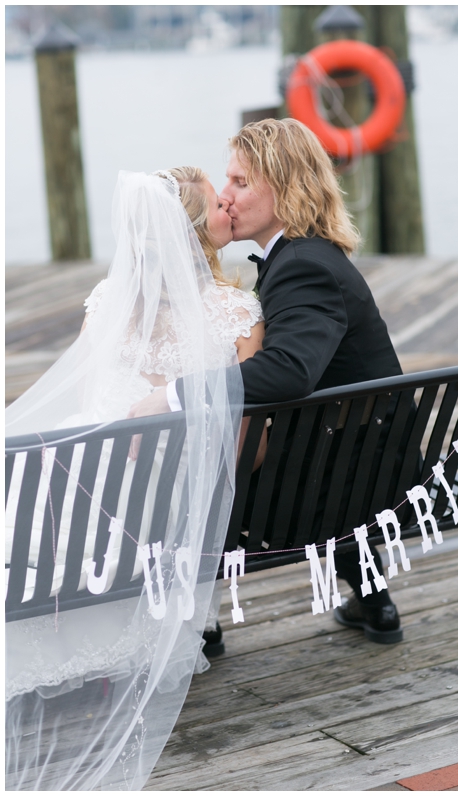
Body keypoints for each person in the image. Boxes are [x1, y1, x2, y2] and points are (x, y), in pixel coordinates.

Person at [5, 168, 260, 789]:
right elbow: (242, 451)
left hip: (81, 505)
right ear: (198, 231)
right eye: (217, 198)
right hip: (165, 514)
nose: (229, 201)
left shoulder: (108, 302)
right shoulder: (236, 312)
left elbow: (91, 401)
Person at [129, 118, 406, 646]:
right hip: (358, 452)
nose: (227, 197)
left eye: (239, 182)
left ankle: (194, 627)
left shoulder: (303, 265)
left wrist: (171, 395)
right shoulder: (307, 254)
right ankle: (375, 603)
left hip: (346, 475)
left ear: (284, 187)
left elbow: (288, 370)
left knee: (195, 473)